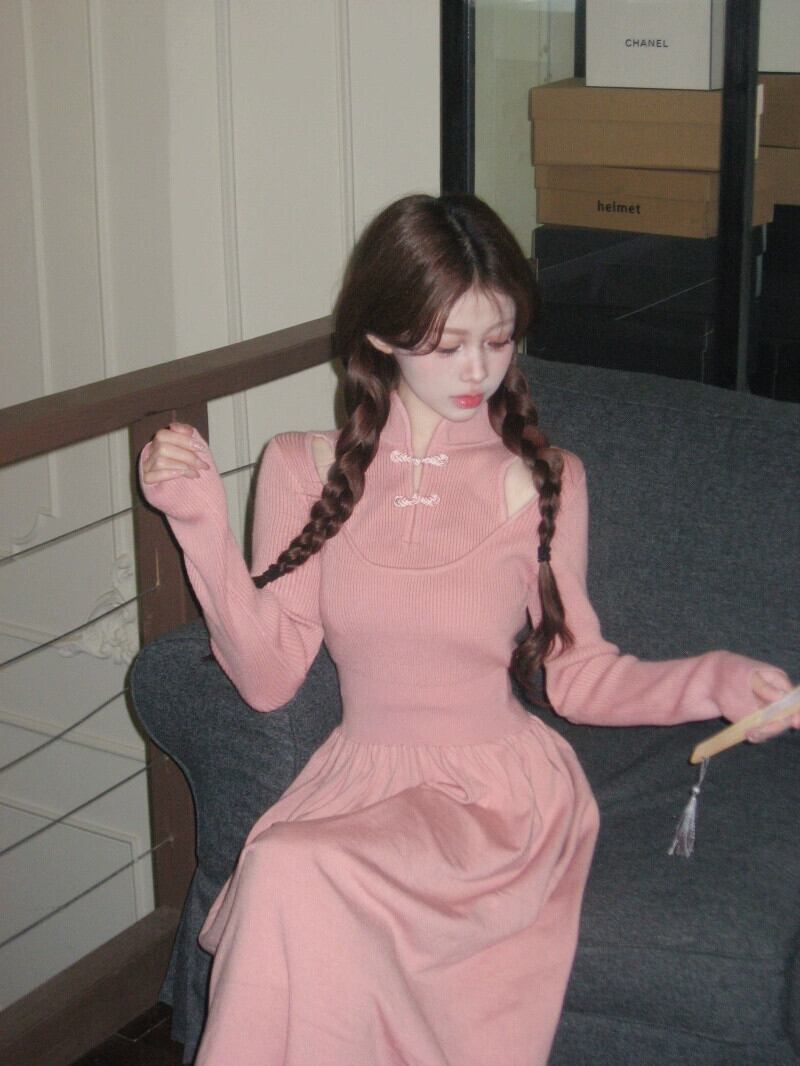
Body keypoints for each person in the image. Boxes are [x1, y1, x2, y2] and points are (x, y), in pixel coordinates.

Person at [140, 193, 797, 1066]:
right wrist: (199, 526)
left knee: (294, 870)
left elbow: (578, 674)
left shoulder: (541, 478)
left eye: (500, 338)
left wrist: (716, 680)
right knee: (290, 869)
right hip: (358, 786)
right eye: (448, 345)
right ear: (382, 335)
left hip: (493, 797)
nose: (478, 369)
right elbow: (267, 680)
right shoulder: (301, 466)